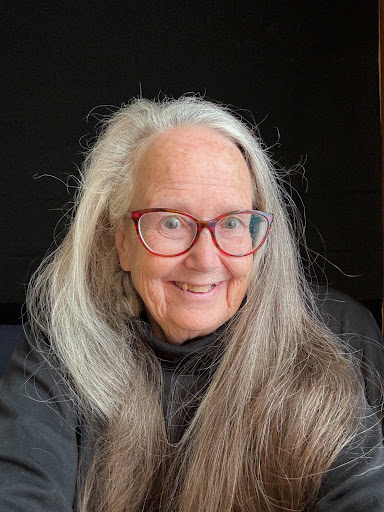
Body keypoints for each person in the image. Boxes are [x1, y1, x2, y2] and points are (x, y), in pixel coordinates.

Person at [0, 96, 383, 512]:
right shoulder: (62, 349)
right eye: (171, 222)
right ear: (123, 243)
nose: (204, 259)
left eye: (233, 222)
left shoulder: (327, 355)